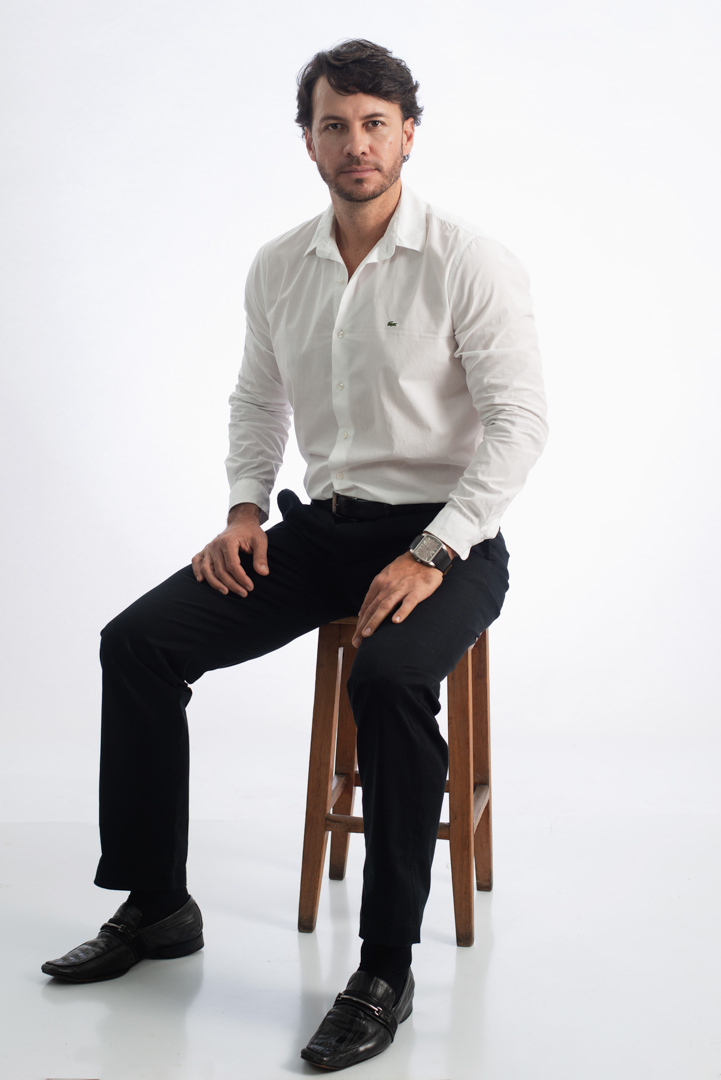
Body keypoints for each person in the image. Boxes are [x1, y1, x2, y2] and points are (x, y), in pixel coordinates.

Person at [40, 39, 548, 1071]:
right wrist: (241, 509)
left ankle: (385, 968)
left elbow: (519, 424)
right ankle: (157, 903)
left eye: (374, 124)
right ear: (308, 141)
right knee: (137, 644)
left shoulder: (469, 259)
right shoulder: (279, 265)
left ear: (408, 134)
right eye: (334, 124)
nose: (355, 143)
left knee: (389, 678)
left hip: (448, 538)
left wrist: (432, 551)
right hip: (321, 532)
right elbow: (255, 398)